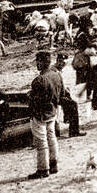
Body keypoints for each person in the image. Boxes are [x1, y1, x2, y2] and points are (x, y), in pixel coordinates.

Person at [28, 51, 64, 179]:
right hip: (52, 111)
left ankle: (43, 169)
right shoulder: (56, 75)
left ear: (42, 62)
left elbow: (35, 99)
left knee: (41, 142)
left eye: (38, 62)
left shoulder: (39, 80)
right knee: (52, 137)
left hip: (40, 114)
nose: (36, 64)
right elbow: (62, 93)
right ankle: (53, 164)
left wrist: (30, 97)